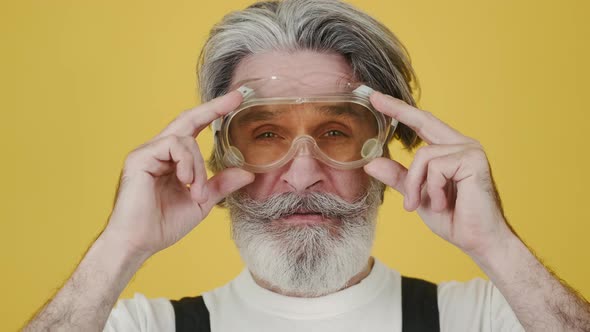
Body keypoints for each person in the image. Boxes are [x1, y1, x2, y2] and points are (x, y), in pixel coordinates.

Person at [23, 0, 590, 331]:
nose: (300, 176)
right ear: (219, 152)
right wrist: (121, 248)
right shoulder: (138, 326)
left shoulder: (485, 318)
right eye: (265, 134)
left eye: (336, 132)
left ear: (384, 151)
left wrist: (497, 247)